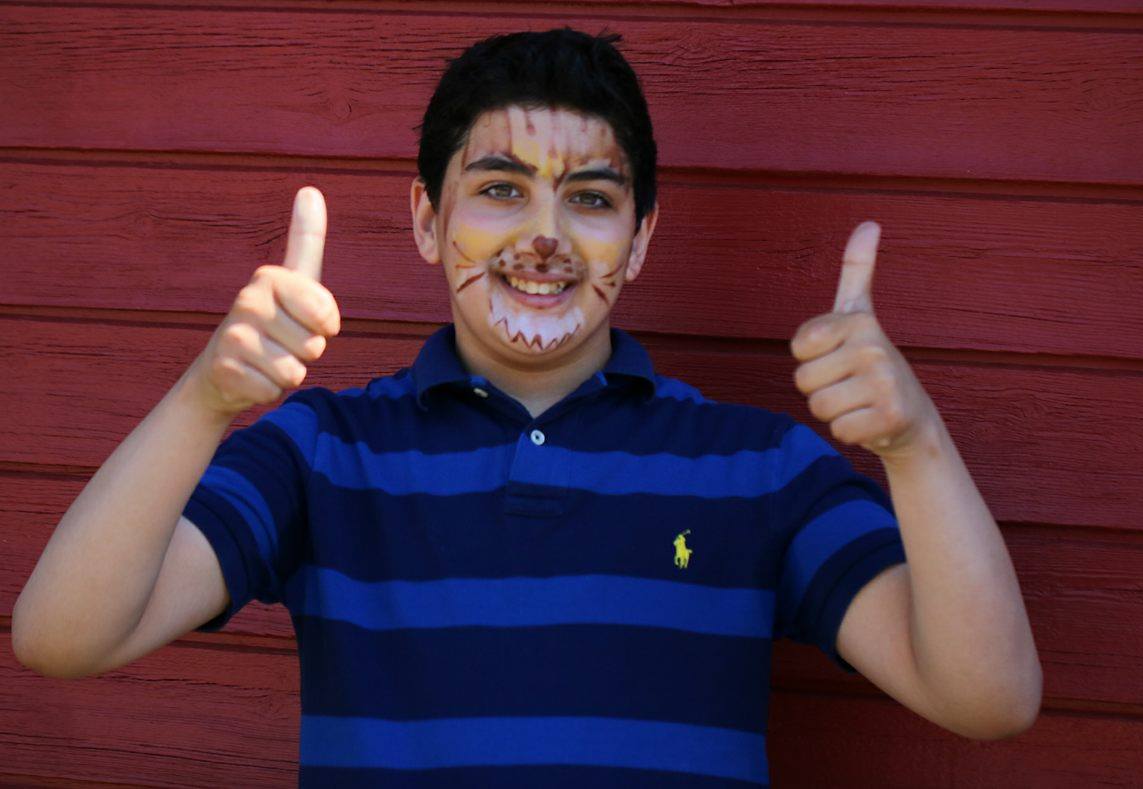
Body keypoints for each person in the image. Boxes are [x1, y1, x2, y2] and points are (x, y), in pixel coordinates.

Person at [13, 28, 1041, 787]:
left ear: (639, 239)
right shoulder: (323, 453)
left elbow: (987, 701)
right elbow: (63, 638)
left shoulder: (757, 467)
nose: (544, 236)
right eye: (501, 188)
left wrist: (914, 445)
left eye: (590, 198)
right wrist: (205, 397)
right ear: (428, 219)